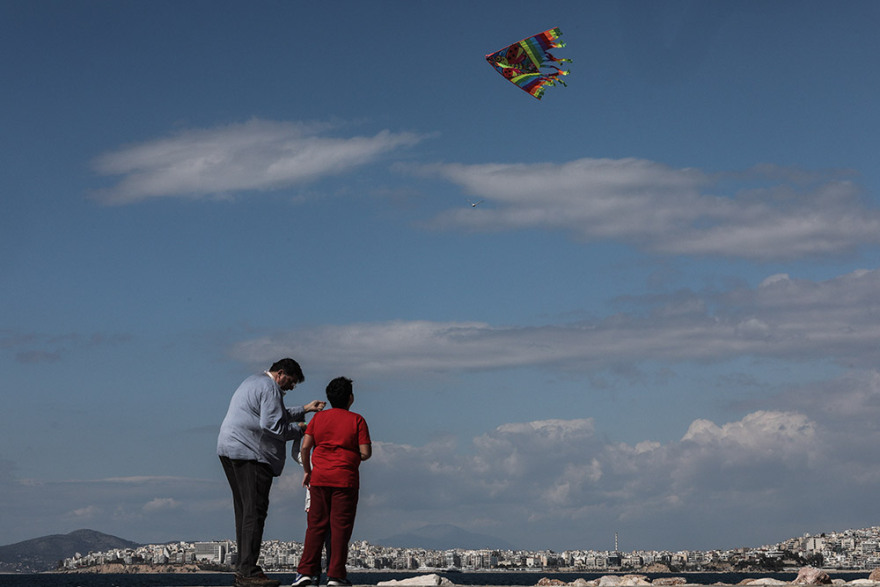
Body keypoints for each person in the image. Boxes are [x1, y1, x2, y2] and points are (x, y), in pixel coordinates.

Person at [218, 358, 326, 587]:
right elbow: (274, 426)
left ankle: (244, 569)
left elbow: (275, 414)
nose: (292, 387)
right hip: (251, 454)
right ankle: (248, 572)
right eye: (292, 381)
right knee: (255, 512)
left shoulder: (253, 381)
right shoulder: (270, 388)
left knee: (244, 512)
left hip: (229, 450)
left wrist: (305, 409)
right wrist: (301, 430)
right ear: (281, 373)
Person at [293, 377, 371, 587]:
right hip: (345, 480)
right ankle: (335, 575)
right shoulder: (357, 420)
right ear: (350, 398)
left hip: (319, 478)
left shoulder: (318, 419)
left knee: (315, 526)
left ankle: (306, 572)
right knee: (340, 528)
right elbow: (366, 453)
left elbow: (305, 448)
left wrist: (308, 471)